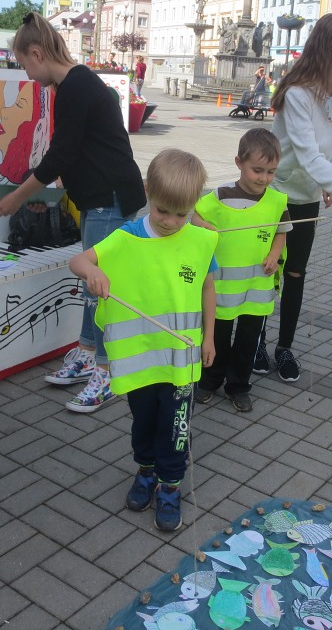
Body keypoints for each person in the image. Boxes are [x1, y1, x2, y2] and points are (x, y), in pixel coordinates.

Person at [0, 12, 146, 412]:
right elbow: (79, 148)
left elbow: (59, 155)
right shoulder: (74, 84)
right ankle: (87, 351)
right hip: (102, 197)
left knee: (100, 290)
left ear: (37, 52)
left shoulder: (75, 86)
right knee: (92, 288)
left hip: (108, 200)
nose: (26, 75)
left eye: (25, 64)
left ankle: (107, 370)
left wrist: (17, 198)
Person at [68, 148, 219, 531]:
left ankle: (170, 485)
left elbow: (207, 289)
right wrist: (92, 272)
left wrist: (210, 339)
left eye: (181, 214)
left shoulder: (201, 240)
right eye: (162, 210)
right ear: (148, 191)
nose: (170, 221)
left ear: (195, 205)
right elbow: (79, 261)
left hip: (181, 361)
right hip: (141, 359)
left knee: (176, 425)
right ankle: (146, 470)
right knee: (143, 421)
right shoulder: (127, 236)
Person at [258, 13, 332, 382]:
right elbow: (308, 155)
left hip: (307, 195)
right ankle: (257, 344)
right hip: (276, 193)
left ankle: (285, 348)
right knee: (268, 272)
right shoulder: (297, 94)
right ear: (322, 49)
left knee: (296, 273)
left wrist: (330, 183)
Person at [193, 128, 290, 412]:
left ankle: (238, 386)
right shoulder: (221, 196)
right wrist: (204, 226)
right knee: (217, 338)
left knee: (248, 341)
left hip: (256, 289)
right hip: (222, 289)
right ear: (239, 163)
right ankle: (209, 381)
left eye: (271, 172)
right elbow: (195, 216)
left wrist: (274, 253)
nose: (264, 178)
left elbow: (281, 231)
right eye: (257, 170)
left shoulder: (276, 200)